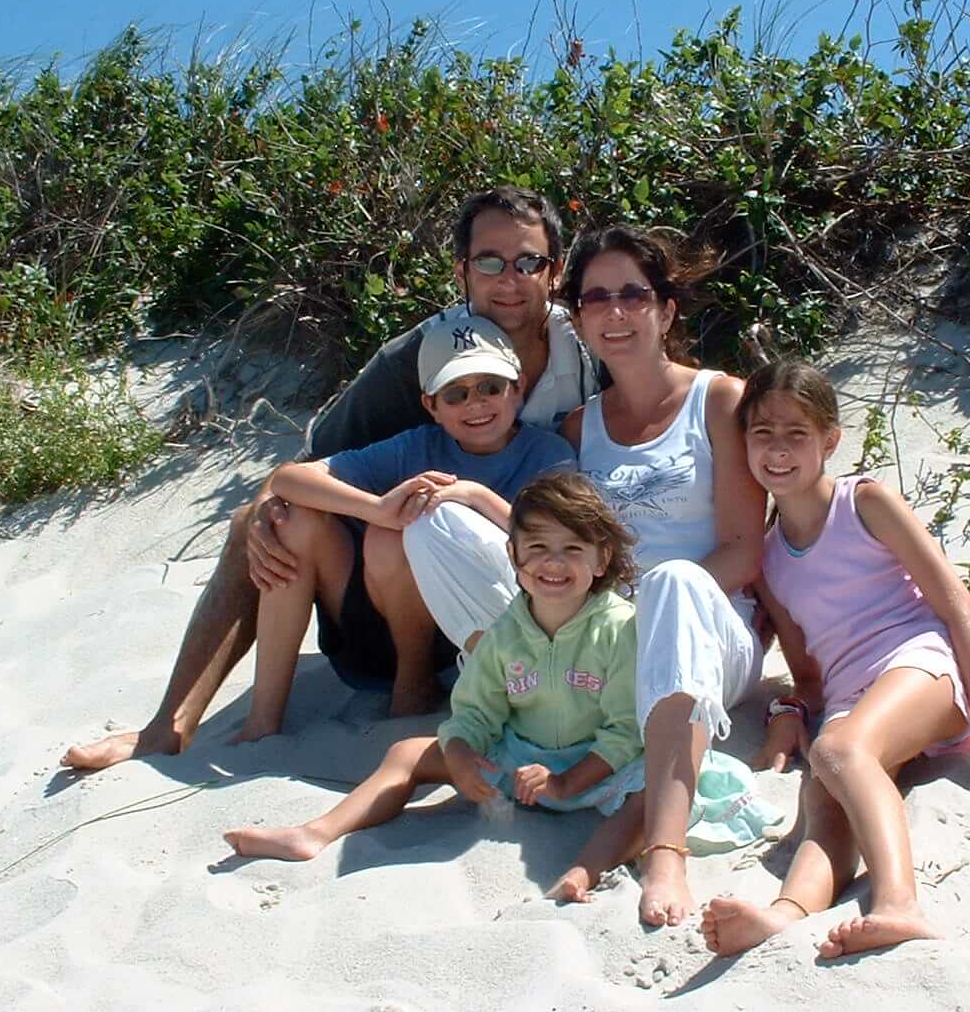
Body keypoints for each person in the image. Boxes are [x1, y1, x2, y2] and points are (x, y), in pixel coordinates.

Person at [62, 186, 596, 771]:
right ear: (462, 271)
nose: (509, 279)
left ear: (556, 269)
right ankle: (168, 726)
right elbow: (309, 460)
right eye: (489, 262)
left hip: (520, 569)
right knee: (263, 520)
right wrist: (266, 514)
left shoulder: (589, 349)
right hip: (402, 579)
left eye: (528, 262)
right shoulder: (418, 356)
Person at [396, 224, 768, 928]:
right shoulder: (576, 428)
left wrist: (639, 609)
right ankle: (522, 704)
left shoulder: (720, 401)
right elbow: (546, 541)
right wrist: (477, 500)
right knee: (436, 522)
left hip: (706, 633)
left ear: (667, 307)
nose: (616, 311)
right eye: (597, 298)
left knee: (675, 582)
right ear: (580, 315)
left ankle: (665, 849)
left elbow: (745, 552)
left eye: (634, 293)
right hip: (600, 634)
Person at [700, 357, 970, 960]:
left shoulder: (864, 503)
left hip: (917, 665)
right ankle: (784, 914)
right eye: (762, 433)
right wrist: (788, 708)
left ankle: (899, 904)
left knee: (839, 752)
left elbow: (957, 606)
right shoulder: (768, 559)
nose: (778, 450)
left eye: (796, 434)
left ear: (829, 441)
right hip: (849, 697)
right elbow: (807, 675)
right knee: (821, 795)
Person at [223, 472, 648, 904]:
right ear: (514, 557)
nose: (553, 563)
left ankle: (584, 870)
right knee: (406, 754)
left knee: (652, 795)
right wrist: (463, 750)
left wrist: (567, 782)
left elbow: (625, 731)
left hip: (600, 769)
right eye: (537, 548)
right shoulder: (506, 631)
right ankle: (315, 833)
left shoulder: (619, 628)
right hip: (523, 764)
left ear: (601, 559)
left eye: (572, 549)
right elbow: (477, 709)